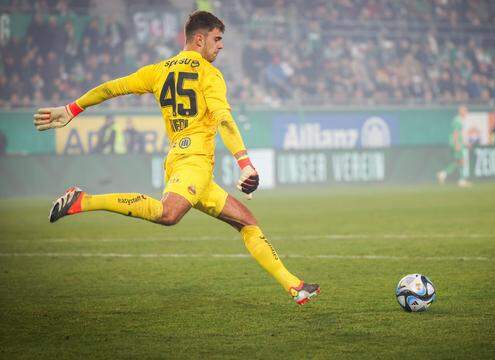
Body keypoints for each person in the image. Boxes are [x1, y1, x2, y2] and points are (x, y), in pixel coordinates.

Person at [33, 11, 320, 305]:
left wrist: (72, 108)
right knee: (167, 214)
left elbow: (111, 88)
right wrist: (244, 162)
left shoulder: (158, 70)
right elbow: (224, 120)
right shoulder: (209, 74)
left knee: (247, 223)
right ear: (199, 39)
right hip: (191, 162)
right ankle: (83, 200)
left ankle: (295, 286)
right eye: (217, 39)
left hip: (190, 166)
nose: (221, 46)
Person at [436, 105, 472, 187]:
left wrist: (465, 143)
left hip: (458, 143)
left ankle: (442, 174)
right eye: (465, 110)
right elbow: (455, 133)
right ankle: (461, 181)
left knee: (458, 161)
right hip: (456, 143)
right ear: (460, 111)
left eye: (466, 110)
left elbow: (459, 134)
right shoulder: (458, 120)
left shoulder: (460, 120)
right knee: (461, 161)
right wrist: (457, 144)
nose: (466, 112)